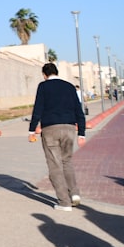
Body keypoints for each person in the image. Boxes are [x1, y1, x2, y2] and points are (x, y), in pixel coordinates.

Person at [28, 62, 86, 210]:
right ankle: (74, 194)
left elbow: (38, 108)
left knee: (55, 166)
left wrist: (32, 130)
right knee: (67, 161)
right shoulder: (69, 86)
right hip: (69, 128)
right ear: (57, 72)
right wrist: (82, 133)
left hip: (50, 129)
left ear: (44, 74)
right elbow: (78, 110)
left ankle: (64, 202)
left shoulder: (43, 86)